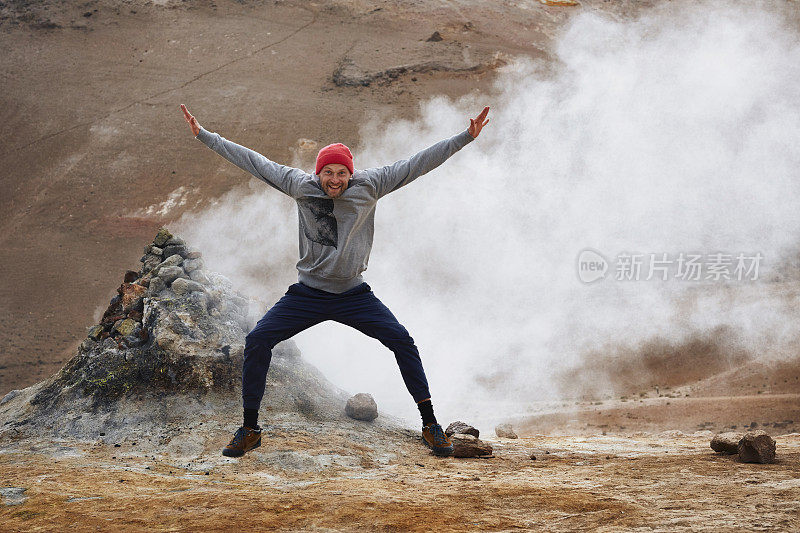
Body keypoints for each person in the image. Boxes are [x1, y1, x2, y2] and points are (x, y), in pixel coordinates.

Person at [180, 103, 490, 457]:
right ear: (318, 173)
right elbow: (255, 162)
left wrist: (465, 137)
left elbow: (417, 163)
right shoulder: (300, 186)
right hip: (307, 294)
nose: (335, 180)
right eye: (328, 172)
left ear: (350, 174)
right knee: (257, 341)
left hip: (354, 295)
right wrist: (205, 136)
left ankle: (430, 424)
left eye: (342, 173)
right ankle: (250, 429)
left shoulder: (370, 185)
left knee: (402, 341)